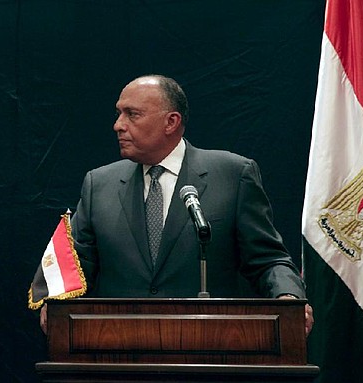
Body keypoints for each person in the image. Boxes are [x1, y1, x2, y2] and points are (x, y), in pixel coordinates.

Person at [41, 74, 312, 334]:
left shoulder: (232, 175)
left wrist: (287, 296)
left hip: (210, 344)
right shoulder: (99, 184)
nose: (118, 125)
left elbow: (268, 259)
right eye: (119, 113)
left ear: (171, 122)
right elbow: (73, 265)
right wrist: (53, 299)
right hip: (118, 347)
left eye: (132, 114)